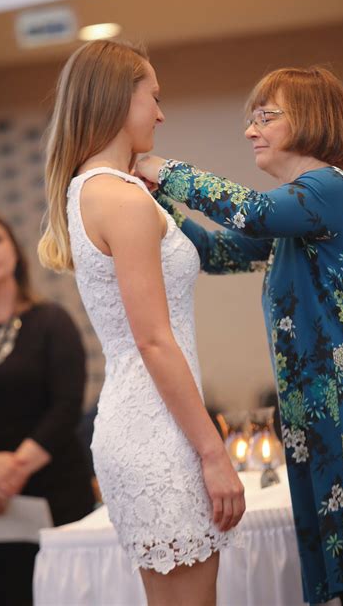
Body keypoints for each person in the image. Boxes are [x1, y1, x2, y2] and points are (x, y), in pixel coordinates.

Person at [136, 66, 343, 606]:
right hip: (325, 429)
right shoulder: (297, 220)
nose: (251, 130)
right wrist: (147, 198)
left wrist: (163, 168)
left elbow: (252, 213)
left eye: (265, 116)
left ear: (313, 120)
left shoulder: (331, 188)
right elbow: (214, 251)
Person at [37, 39, 245, 606]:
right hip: (159, 428)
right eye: (152, 96)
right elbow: (154, 340)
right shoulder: (121, 200)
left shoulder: (93, 190)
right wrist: (212, 450)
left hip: (141, 419)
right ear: (115, 101)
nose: (160, 112)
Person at [0, 206, 95, 606]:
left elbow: (66, 406)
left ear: (14, 251)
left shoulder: (50, 320)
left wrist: (13, 471)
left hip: (55, 487)